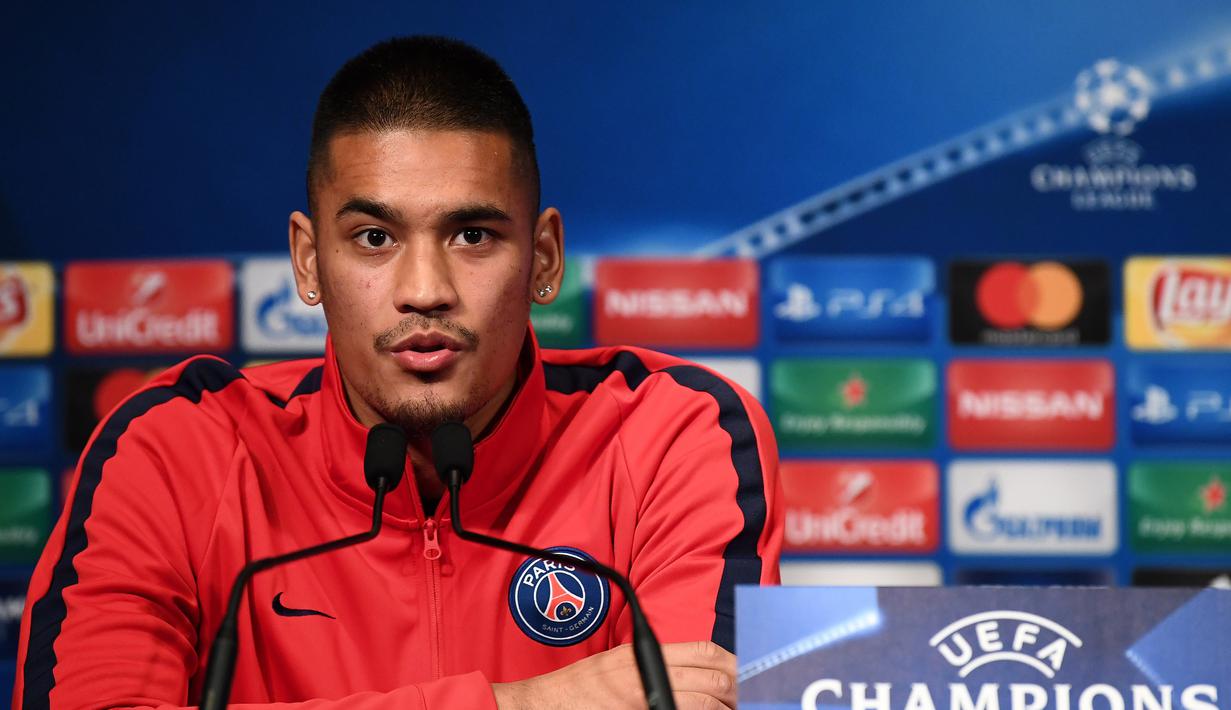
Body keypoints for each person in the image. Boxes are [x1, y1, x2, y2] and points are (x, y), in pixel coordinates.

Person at [14, 36, 782, 709]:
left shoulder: (673, 432)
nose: (424, 288)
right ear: (310, 262)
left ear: (543, 260)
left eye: (472, 234)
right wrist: (519, 706)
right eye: (375, 238)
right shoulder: (176, 447)